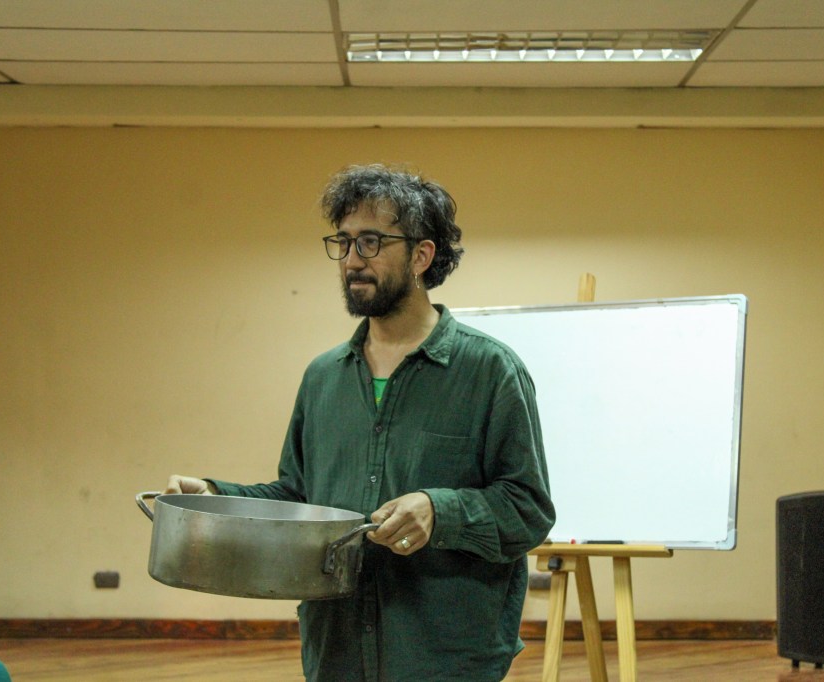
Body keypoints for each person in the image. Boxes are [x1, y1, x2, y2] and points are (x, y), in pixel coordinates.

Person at [165, 163, 555, 681]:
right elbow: (300, 497)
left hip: (444, 656)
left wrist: (439, 510)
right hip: (337, 650)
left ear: (421, 255)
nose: (351, 260)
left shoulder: (489, 370)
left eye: (371, 242)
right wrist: (217, 496)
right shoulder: (323, 377)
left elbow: (528, 508)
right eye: (344, 242)